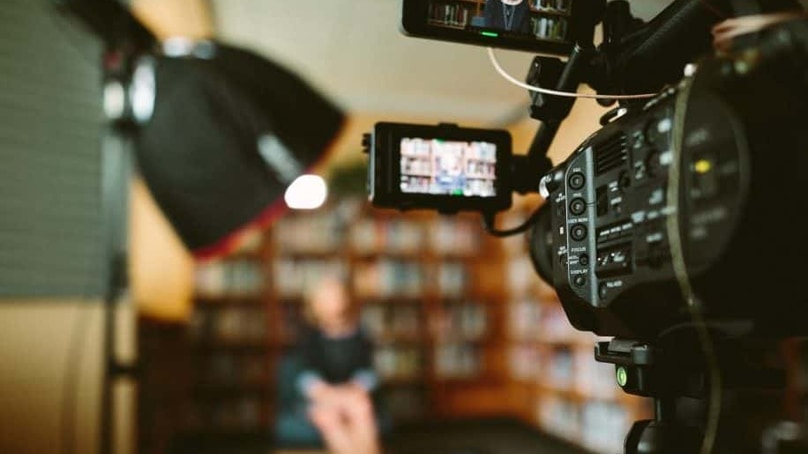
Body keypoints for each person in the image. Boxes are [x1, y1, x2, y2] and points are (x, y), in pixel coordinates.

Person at [274, 274, 383, 454]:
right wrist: (327, 394)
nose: (330, 303)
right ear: (314, 304)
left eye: (334, 297)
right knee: (328, 417)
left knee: (361, 408)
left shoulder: (359, 334)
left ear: (344, 299)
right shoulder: (308, 336)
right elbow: (304, 375)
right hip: (320, 398)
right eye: (324, 298)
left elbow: (368, 371)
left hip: (352, 395)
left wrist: (353, 389)